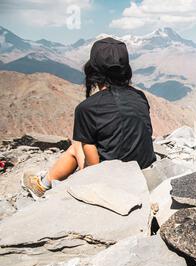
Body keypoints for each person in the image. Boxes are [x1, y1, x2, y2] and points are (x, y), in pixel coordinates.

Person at [22, 37, 156, 199]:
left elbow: (94, 168)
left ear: (92, 70)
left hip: (114, 183)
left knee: (76, 144)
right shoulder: (139, 96)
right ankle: (45, 182)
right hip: (145, 172)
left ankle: (42, 185)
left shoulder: (87, 108)